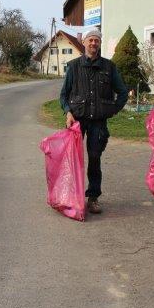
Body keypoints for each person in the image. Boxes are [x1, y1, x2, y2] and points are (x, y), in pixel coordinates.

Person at [59, 29, 128, 214]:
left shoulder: (109, 67)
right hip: (77, 122)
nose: (93, 43)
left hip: (98, 122)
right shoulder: (73, 66)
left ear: (99, 43)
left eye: (96, 40)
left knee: (95, 159)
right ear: (84, 43)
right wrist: (67, 112)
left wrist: (112, 110)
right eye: (90, 40)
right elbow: (64, 95)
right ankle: (71, 196)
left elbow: (122, 92)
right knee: (72, 160)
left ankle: (93, 198)